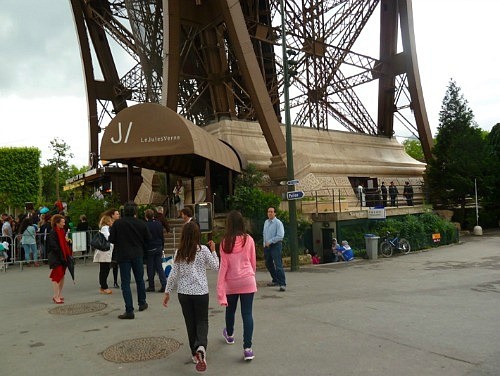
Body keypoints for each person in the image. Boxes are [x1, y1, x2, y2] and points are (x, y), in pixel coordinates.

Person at [162, 222, 219, 373]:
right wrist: (214, 251)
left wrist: (167, 292)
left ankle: (195, 354)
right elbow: (216, 267)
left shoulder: (179, 252)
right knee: (202, 321)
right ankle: (201, 346)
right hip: (201, 292)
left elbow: (173, 274)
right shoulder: (204, 250)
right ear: (197, 234)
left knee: (190, 323)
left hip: (184, 293)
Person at [217, 210, 257, 361]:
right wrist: (250, 275)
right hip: (247, 280)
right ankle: (248, 349)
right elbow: (252, 262)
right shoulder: (249, 240)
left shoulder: (225, 242)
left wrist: (220, 288)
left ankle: (230, 335)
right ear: (242, 223)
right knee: (247, 314)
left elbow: (223, 267)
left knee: (230, 310)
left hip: (231, 282)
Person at [109, 201, 151, 319]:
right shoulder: (141, 223)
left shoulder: (118, 224)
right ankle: (142, 303)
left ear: (124, 211)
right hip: (137, 253)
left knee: (125, 283)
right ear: (135, 212)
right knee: (140, 280)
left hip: (123, 255)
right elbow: (148, 239)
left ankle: (129, 310)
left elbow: (111, 239)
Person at [46, 214, 72, 304]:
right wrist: (61, 254)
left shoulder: (62, 231)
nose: (64, 224)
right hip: (56, 257)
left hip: (63, 256)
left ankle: (59, 294)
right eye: (63, 222)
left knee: (62, 276)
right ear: (57, 223)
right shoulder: (53, 232)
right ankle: (55, 296)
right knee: (57, 276)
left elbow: (63, 242)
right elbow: (54, 246)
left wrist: (67, 241)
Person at [263, 206, 286, 291]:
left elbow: (280, 236)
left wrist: (270, 241)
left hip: (275, 245)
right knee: (268, 263)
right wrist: (264, 243)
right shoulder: (266, 222)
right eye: (268, 212)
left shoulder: (278, 223)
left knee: (278, 265)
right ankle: (275, 280)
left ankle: (282, 284)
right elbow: (264, 234)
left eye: (272, 212)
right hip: (267, 246)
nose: (270, 213)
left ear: (275, 213)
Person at [144, 209, 167, 293]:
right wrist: (162, 246)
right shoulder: (158, 223)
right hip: (158, 246)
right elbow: (161, 236)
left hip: (150, 248)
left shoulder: (145, 225)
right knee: (159, 267)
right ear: (153, 215)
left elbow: (145, 238)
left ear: (146, 216)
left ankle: (151, 286)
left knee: (150, 268)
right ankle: (164, 285)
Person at [93, 214, 114, 295]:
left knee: (104, 269)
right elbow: (108, 237)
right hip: (104, 252)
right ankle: (104, 286)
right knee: (104, 269)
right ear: (107, 221)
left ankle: (103, 286)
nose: (112, 222)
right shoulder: (105, 228)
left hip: (105, 252)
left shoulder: (105, 228)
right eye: (110, 220)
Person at [102, 208, 121, 288]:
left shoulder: (119, 223)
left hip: (117, 246)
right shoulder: (108, 225)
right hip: (110, 247)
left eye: (118, 214)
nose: (118, 215)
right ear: (112, 215)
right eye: (116, 214)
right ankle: (103, 282)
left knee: (116, 264)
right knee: (108, 265)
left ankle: (115, 281)